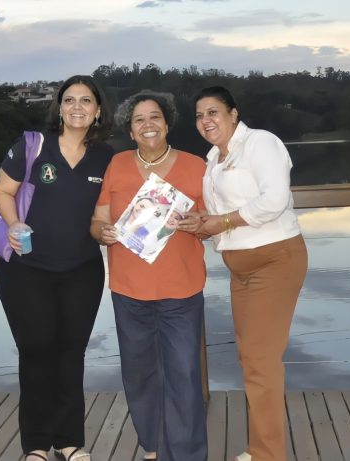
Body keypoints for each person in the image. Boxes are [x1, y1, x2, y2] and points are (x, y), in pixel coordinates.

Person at [0, 75, 114, 461]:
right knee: (35, 352)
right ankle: (36, 445)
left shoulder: (106, 157)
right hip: (26, 270)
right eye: (69, 100)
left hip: (82, 270)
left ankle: (69, 441)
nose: (77, 107)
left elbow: (110, 208)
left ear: (98, 110)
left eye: (86, 100)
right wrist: (13, 223)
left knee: (71, 354)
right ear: (59, 108)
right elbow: (3, 190)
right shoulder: (32, 146)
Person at [91, 91, 208, 461]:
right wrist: (102, 233)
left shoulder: (196, 166)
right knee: (140, 375)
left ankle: (187, 454)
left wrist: (199, 223)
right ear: (130, 131)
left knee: (184, 375)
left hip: (181, 289)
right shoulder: (117, 164)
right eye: (139, 120)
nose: (148, 125)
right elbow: (98, 220)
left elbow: (211, 222)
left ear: (167, 124)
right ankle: (154, 446)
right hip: (129, 291)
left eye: (154, 117)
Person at [193, 85, 306, 461]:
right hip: (240, 269)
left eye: (213, 112)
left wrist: (222, 221)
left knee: (260, 360)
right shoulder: (214, 158)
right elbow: (222, 216)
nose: (206, 120)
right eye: (199, 115)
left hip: (275, 261)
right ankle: (262, 448)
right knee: (251, 357)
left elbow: (274, 200)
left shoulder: (261, 143)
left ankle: (268, 454)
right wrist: (203, 224)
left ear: (233, 114)